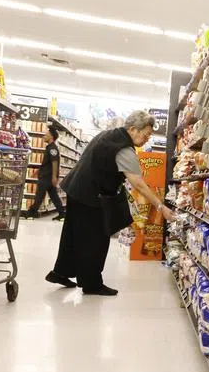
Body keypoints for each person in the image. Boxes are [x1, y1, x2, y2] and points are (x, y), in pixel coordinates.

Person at [46, 110, 175, 296]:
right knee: (96, 239)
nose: (148, 138)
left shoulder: (108, 135)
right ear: (133, 129)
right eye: (146, 134)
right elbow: (138, 183)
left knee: (73, 235)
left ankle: (60, 273)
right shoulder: (124, 148)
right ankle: (91, 284)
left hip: (77, 189)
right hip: (90, 195)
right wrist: (160, 206)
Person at [24, 124, 66, 220]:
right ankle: (62, 214)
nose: (44, 136)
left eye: (46, 134)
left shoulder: (52, 149)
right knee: (54, 196)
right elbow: (47, 164)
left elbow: (54, 162)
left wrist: (54, 177)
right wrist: (38, 171)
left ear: (51, 136)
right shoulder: (50, 148)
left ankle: (32, 213)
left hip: (47, 177)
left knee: (39, 195)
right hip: (47, 176)